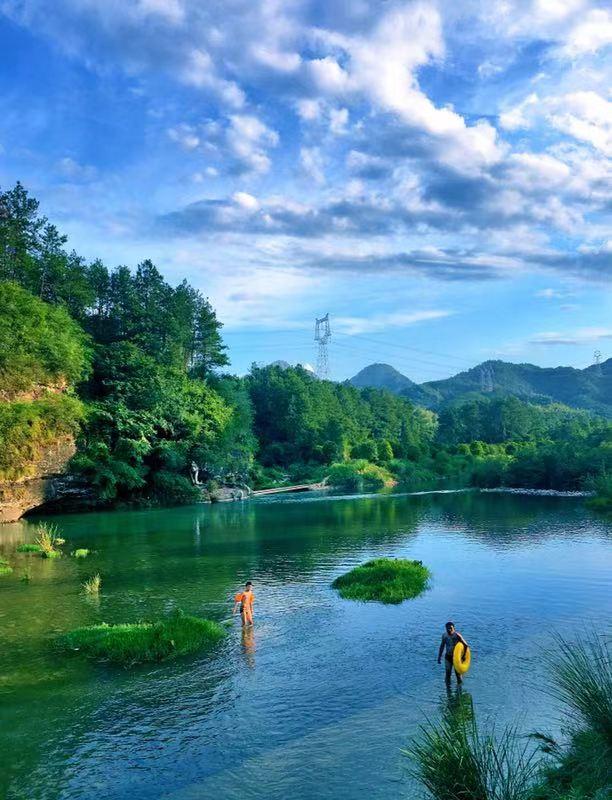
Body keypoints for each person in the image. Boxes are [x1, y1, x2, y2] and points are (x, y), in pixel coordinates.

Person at [437, 621, 469, 685]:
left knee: (458, 675)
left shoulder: (457, 636)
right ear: (446, 628)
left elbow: (466, 645)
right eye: (447, 628)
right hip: (448, 657)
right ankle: (448, 690)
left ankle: (459, 690)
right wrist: (439, 657)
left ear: (454, 628)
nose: (449, 629)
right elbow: (442, 646)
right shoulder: (444, 636)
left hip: (456, 659)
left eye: (451, 628)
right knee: (447, 674)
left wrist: (464, 656)